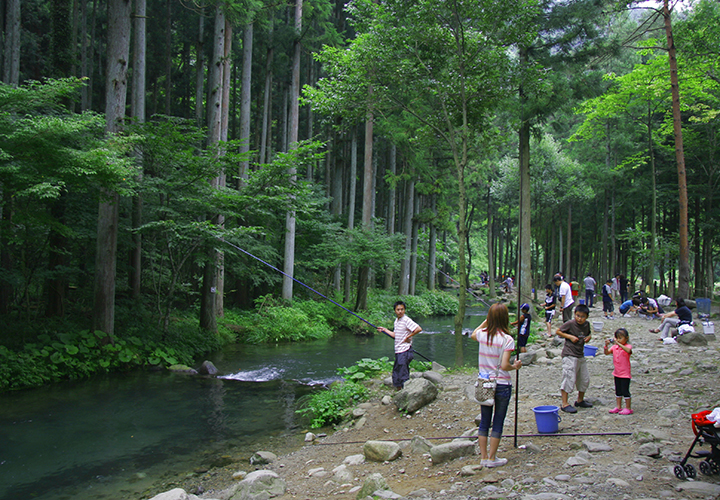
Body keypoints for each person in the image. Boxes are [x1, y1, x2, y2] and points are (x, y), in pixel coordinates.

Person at [470, 303, 522, 468]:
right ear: (505, 318)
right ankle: (492, 459)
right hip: (501, 384)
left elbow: (473, 334)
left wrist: (485, 323)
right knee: (498, 421)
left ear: (490, 318)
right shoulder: (507, 339)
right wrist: (516, 366)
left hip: (484, 384)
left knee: (485, 421)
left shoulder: (482, 335)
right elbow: (505, 365)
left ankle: (484, 457)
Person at [556, 303, 592, 413]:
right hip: (569, 354)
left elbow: (589, 334)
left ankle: (580, 400)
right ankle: (565, 403)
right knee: (568, 377)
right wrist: (570, 337)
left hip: (580, 354)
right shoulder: (570, 324)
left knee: (584, 378)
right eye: (577, 316)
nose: (579, 319)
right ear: (574, 314)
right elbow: (558, 331)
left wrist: (588, 338)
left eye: (582, 316)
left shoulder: (587, 325)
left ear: (586, 317)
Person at [377, 301, 422, 390]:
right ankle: (399, 391)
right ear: (395, 311)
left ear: (404, 310)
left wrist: (409, 336)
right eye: (398, 310)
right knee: (396, 372)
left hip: (405, 350)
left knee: (403, 373)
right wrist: (385, 330)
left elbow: (418, 329)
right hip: (398, 351)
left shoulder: (406, 320)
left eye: (402, 309)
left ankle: (406, 393)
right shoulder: (396, 321)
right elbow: (395, 335)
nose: (400, 311)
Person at [604, 328, 633, 415]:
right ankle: (618, 406)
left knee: (625, 391)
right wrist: (606, 346)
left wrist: (619, 344)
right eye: (617, 338)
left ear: (626, 338)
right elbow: (607, 353)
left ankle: (628, 407)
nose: (619, 340)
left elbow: (629, 351)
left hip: (625, 374)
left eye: (621, 338)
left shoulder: (627, 346)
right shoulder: (614, 347)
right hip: (617, 373)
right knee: (618, 391)